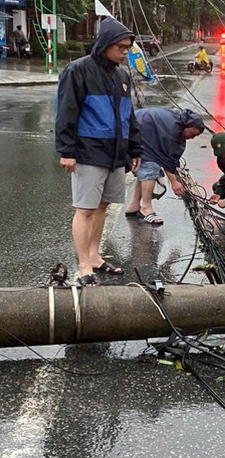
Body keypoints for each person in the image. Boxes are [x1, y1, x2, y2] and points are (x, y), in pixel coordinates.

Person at [55, 17, 142, 287]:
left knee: (103, 205)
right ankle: (82, 265)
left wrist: (135, 147)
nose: (125, 52)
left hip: (115, 154)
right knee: (86, 210)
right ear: (105, 44)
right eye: (121, 47)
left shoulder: (122, 75)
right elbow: (66, 112)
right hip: (88, 152)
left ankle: (94, 255)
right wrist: (67, 150)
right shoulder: (78, 71)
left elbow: (129, 115)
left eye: (128, 47)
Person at [126, 108, 206, 226]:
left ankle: (134, 205)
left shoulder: (178, 123)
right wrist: (174, 182)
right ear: (188, 126)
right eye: (192, 134)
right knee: (150, 167)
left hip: (141, 128)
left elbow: (170, 156)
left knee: (146, 169)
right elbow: (165, 157)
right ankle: (146, 207)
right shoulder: (171, 130)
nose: (192, 138)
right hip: (137, 130)